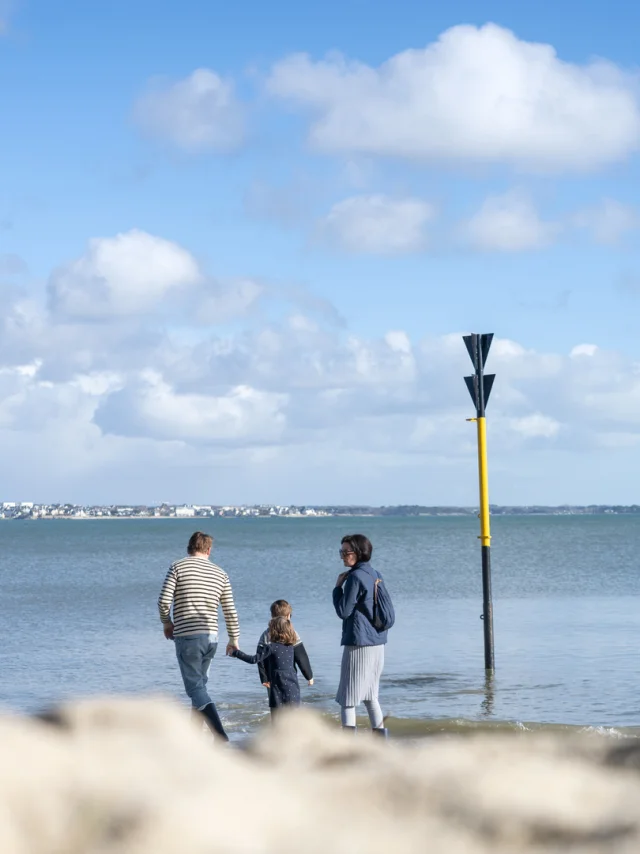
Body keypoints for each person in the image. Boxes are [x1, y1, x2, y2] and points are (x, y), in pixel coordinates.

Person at [158, 531, 240, 742]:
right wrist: (234, 639)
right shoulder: (221, 573)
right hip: (212, 637)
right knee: (200, 686)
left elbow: (163, 601)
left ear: (189, 547)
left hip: (188, 636)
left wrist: (167, 622)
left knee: (195, 688)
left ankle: (219, 735)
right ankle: (192, 736)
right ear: (209, 550)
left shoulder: (178, 566)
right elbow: (230, 610)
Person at [333, 534, 388, 736]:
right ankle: (381, 742)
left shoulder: (354, 577)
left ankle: (347, 747)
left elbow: (343, 612)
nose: (342, 556)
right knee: (370, 696)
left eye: (346, 552)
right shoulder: (375, 573)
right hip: (378, 641)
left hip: (358, 643)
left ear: (358, 552)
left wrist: (337, 588)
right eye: (342, 552)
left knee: (347, 698)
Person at [228, 616, 313, 713]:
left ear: (274, 631)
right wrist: (309, 676)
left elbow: (254, 659)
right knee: (292, 718)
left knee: (277, 720)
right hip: (293, 688)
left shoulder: (271, 647)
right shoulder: (290, 647)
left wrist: (235, 652)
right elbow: (300, 660)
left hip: (277, 689)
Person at [255, 600, 312, 690]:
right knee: (292, 699)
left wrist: (264, 678)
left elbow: (260, 658)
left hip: (272, 677)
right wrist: (309, 676)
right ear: (288, 616)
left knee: (275, 701)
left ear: (272, 616)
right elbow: (301, 656)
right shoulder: (292, 633)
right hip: (290, 676)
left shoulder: (266, 634)